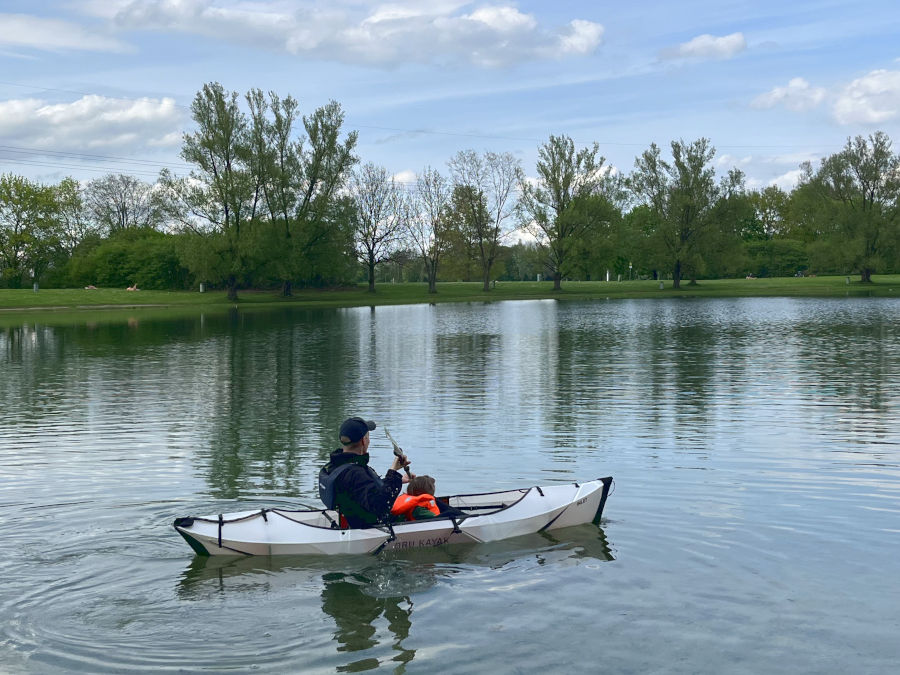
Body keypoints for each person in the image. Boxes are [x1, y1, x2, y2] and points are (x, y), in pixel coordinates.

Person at [319, 417, 411, 529]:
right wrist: (393, 472)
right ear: (364, 440)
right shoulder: (356, 473)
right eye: (368, 437)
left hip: (352, 517)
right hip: (369, 526)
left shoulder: (336, 465)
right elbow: (381, 505)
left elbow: (360, 490)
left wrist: (397, 480)